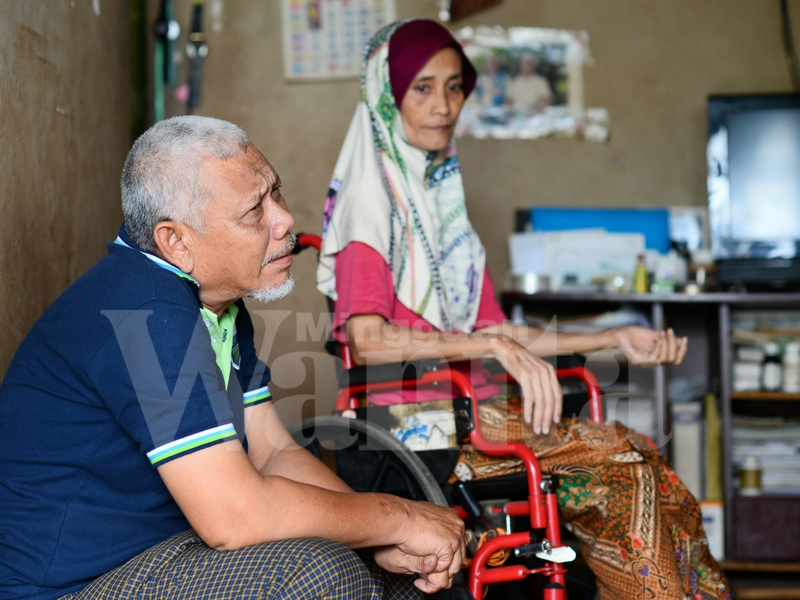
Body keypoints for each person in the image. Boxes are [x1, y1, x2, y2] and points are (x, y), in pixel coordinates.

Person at [317, 19, 730, 600]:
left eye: (455, 86)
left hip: (477, 409)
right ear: (387, 97)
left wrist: (610, 335)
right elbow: (367, 341)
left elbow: (499, 329)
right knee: (623, 472)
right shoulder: (369, 209)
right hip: (417, 426)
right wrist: (489, 346)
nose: (444, 106)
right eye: (423, 88)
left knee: (646, 463)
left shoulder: (441, 207)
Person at [0, 116, 467, 600]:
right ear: (176, 242)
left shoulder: (212, 304)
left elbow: (273, 452)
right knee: (317, 572)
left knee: (396, 577)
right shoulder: (144, 312)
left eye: (275, 194)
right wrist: (402, 517)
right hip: (67, 588)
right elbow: (234, 517)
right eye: (253, 211)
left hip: (158, 553)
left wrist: (386, 538)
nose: (284, 220)